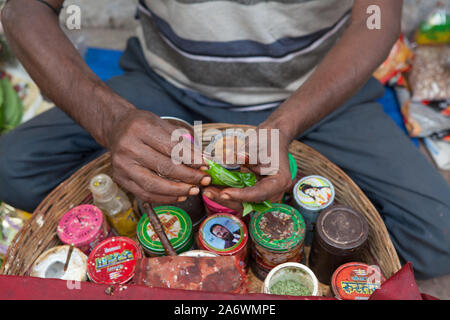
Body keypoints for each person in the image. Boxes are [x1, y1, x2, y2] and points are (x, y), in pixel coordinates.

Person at [0, 0, 449, 279]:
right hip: (168, 90)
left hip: (315, 96)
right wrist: (111, 120)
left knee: (438, 235)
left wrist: (285, 128)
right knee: (11, 168)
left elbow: (377, 17)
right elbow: (23, 7)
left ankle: (308, 196)